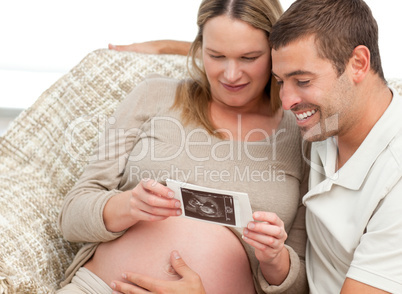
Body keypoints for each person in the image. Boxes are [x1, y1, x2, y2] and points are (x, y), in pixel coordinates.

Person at [111, 0, 402, 293]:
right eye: (279, 81)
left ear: (358, 64)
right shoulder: (330, 120)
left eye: (302, 80)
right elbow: (248, 54)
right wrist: (167, 46)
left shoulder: (394, 178)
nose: (287, 102)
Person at [57, 0, 310, 293]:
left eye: (249, 57)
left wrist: (275, 258)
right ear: (200, 47)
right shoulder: (154, 94)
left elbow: (302, 281)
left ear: (275, 52)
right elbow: (71, 216)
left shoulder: (302, 133)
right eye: (216, 55)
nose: (230, 75)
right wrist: (128, 206)